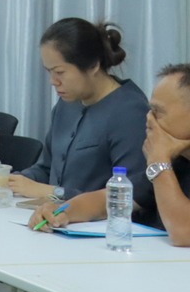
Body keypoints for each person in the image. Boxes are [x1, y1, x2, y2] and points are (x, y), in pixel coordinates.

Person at [30, 64, 190, 246]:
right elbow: (106, 200)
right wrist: (61, 212)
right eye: (149, 110)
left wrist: (159, 162)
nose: (148, 119)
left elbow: (183, 232)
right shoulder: (178, 161)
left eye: (158, 112)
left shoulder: (162, 162)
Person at [11, 18, 147, 206]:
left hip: (99, 222)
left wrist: (56, 193)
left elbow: (134, 195)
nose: (53, 81)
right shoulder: (67, 104)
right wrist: (11, 180)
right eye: (49, 72)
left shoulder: (130, 112)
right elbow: (47, 169)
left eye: (60, 72)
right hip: (56, 216)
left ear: (93, 65)